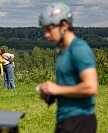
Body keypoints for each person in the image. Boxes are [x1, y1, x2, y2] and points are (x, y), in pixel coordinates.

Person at [37, 2, 98, 133]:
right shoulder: (63, 51)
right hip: (65, 119)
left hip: (80, 120)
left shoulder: (79, 49)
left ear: (63, 25)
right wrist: (50, 94)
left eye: (49, 30)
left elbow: (91, 87)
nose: (46, 35)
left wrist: (57, 89)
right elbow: (68, 86)